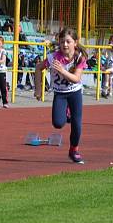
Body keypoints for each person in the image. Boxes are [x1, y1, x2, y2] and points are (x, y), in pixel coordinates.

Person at [35, 28, 88, 163]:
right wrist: (38, 89)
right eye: (62, 41)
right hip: (60, 93)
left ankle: (74, 150)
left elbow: (76, 78)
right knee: (58, 123)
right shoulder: (53, 57)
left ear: (75, 43)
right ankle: (66, 112)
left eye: (68, 42)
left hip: (75, 92)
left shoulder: (79, 57)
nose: (65, 45)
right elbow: (38, 68)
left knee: (77, 124)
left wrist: (62, 71)